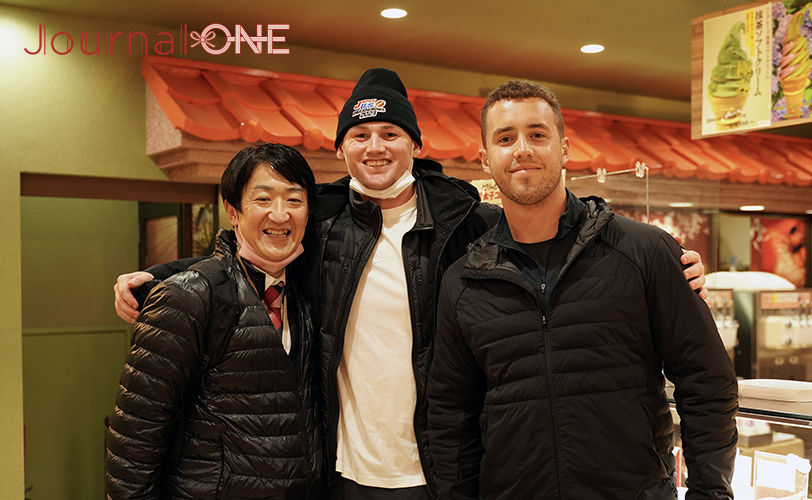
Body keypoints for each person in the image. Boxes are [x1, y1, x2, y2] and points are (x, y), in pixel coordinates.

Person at [113, 69, 709, 500]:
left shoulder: (466, 222)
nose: (376, 146)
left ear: (415, 144)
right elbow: (254, 244)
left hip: (444, 471)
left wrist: (672, 265)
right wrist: (159, 278)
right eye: (361, 135)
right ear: (342, 146)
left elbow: (551, 224)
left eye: (391, 133)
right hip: (347, 471)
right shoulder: (321, 223)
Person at [426, 81, 738, 500]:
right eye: (505, 138)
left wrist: (710, 493)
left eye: (537, 134)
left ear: (565, 148)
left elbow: (706, 381)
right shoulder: (463, 282)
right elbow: (450, 417)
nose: (522, 149)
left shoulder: (645, 251)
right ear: (485, 159)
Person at [105, 143, 322, 500]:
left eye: (294, 200)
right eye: (263, 200)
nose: (280, 215)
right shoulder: (188, 297)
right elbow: (135, 436)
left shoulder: (301, 294)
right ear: (233, 212)